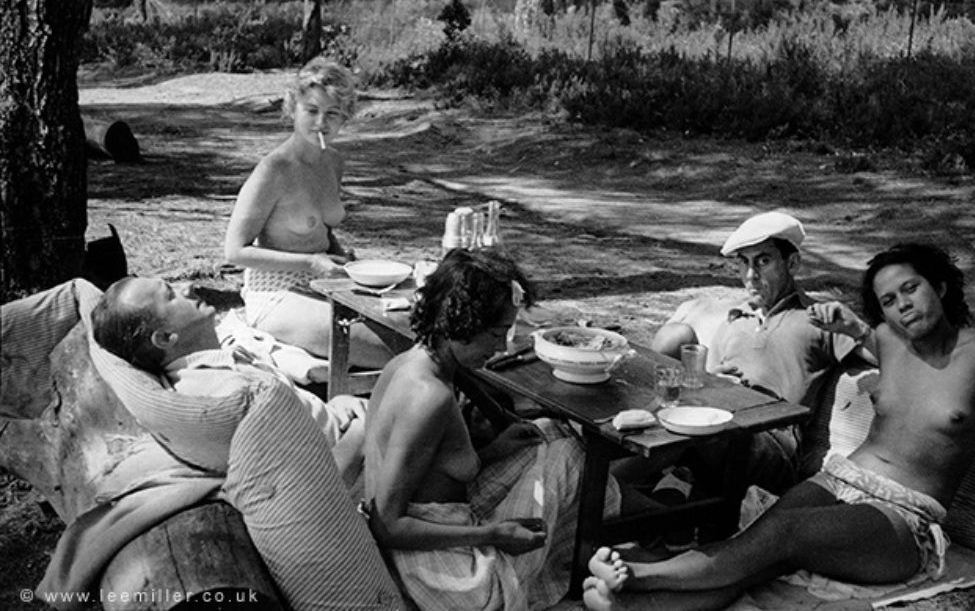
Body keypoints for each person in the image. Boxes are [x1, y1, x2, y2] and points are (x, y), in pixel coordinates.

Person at [583, 242, 975, 611]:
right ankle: (628, 605)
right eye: (888, 301)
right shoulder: (889, 341)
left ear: (939, 286)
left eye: (911, 288)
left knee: (782, 534)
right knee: (756, 553)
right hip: (841, 477)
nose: (903, 305)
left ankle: (637, 575)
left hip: (904, 516)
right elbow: (862, 336)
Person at [362, 248, 620, 610]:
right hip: (446, 580)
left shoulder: (406, 363)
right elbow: (386, 525)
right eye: (496, 333)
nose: (501, 347)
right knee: (571, 457)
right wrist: (494, 535)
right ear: (463, 324)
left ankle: (608, 541)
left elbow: (427, 472)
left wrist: (494, 451)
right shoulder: (429, 397)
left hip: (436, 531)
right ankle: (604, 557)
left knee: (548, 431)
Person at [642, 211, 866, 494]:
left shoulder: (817, 318)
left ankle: (640, 488)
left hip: (771, 440)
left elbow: (889, 360)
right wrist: (712, 382)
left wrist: (858, 328)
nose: (751, 276)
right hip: (721, 425)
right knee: (669, 415)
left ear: (792, 263)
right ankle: (644, 490)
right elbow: (707, 387)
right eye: (744, 263)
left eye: (763, 261)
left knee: (695, 432)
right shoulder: (735, 320)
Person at [91, 275, 367, 483]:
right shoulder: (228, 394)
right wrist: (363, 431)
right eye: (171, 295)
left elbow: (309, 419)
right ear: (165, 338)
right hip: (362, 470)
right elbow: (318, 481)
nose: (189, 287)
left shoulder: (223, 367)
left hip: (350, 432)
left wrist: (336, 407)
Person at [224, 57, 390, 370]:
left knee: (406, 323)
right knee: (388, 348)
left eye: (332, 114)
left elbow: (323, 229)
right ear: (293, 109)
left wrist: (343, 259)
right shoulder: (274, 169)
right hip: (276, 290)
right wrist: (311, 262)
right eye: (311, 110)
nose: (320, 123)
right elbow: (234, 252)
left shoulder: (333, 161)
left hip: (324, 281)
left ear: (345, 118)